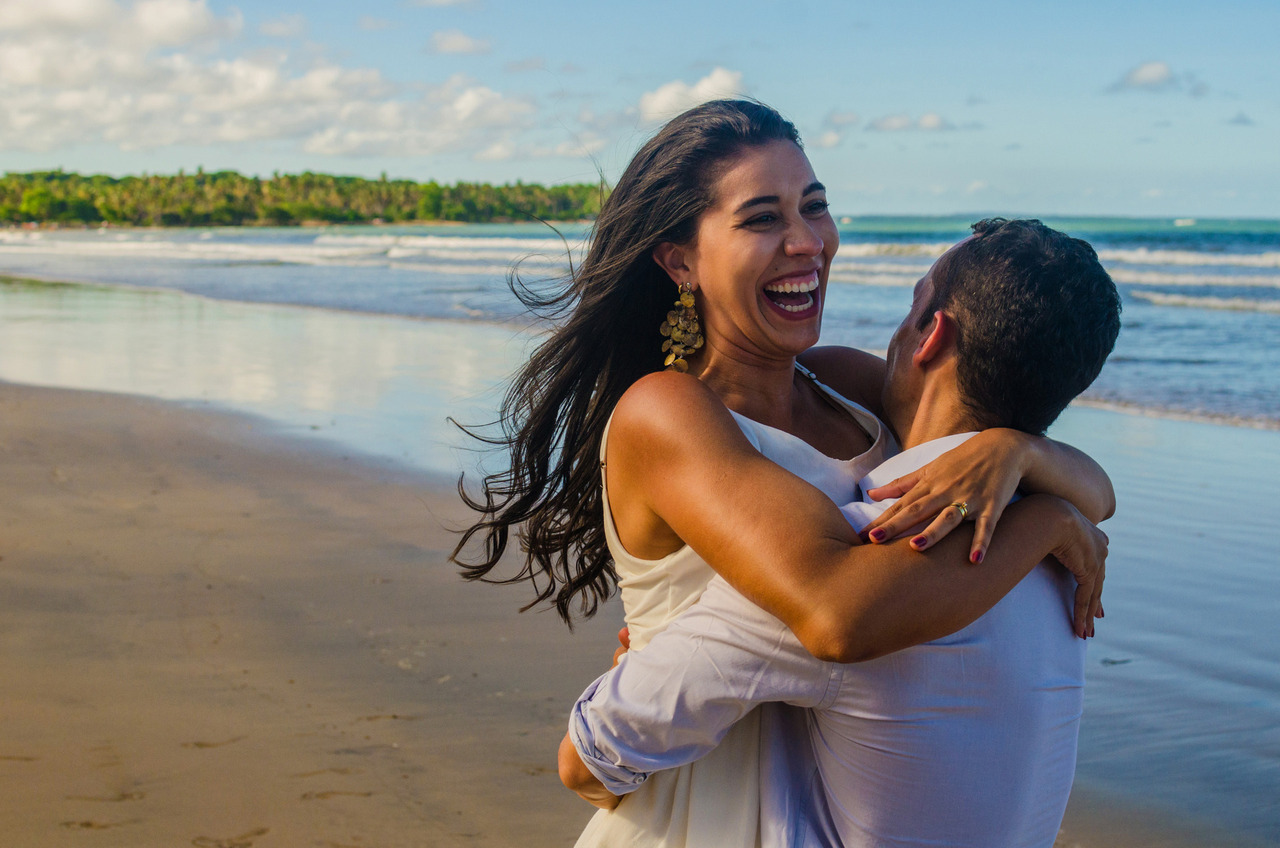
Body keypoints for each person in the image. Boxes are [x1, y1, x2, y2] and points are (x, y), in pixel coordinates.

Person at [453, 100, 1113, 848]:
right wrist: (1047, 523)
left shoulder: (840, 383)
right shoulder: (669, 411)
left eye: (815, 206)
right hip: (701, 815)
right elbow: (835, 611)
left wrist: (1023, 452)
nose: (808, 242)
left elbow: (1093, 489)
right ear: (680, 260)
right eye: (762, 218)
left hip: (818, 805)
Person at [560, 218, 1123, 847]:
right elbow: (1101, 496)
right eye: (764, 217)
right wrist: (1037, 491)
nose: (806, 241)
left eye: (913, 305)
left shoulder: (857, 567)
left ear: (931, 335)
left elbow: (589, 755)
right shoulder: (1063, 556)